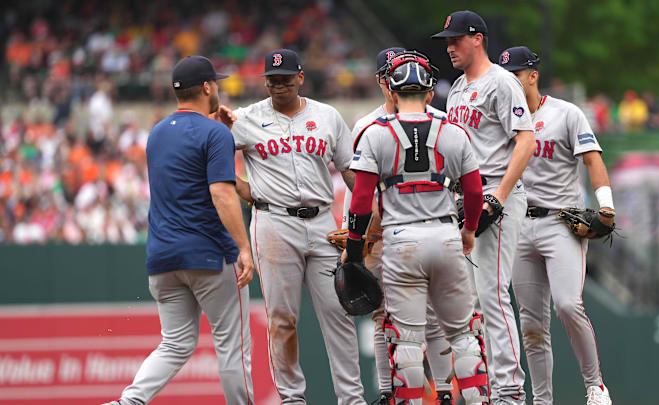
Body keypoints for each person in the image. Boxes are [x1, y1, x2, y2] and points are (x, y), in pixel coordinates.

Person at [103, 55, 255, 405]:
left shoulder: (157, 132)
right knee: (233, 347)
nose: (217, 87)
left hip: (163, 257)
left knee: (175, 343)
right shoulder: (214, 132)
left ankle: (127, 403)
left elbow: (189, 170)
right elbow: (220, 191)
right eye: (215, 82)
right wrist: (243, 248)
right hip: (209, 254)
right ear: (206, 87)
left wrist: (220, 133)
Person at [346, 50, 490, 405]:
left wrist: (353, 248)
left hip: (400, 240)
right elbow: (474, 190)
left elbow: (361, 200)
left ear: (392, 94)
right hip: (445, 236)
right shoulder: (452, 131)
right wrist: (469, 229)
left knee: (406, 339)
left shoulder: (374, 134)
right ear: (429, 93)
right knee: (463, 333)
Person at [230, 49, 366, 405]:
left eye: (286, 78)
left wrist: (371, 215)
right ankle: (292, 400)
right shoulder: (246, 119)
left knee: (339, 314)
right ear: (265, 81)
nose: (279, 84)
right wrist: (244, 189)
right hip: (273, 222)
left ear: (301, 78)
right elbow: (211, 157)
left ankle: (351, 399)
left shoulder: (327, 116)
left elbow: (350, 169)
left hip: (323, 221)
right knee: (282, 320)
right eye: (273, 79)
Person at [499, 46, 614, 405]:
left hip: (560, 222)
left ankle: (595, 385)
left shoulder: (566, 113)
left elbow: (592, 160)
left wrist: (606, 206)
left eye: (515, 75)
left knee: (567, 304)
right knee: (532, 325)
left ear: (533, 76)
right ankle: (543, 401)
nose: (509, 83)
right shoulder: (501, 119)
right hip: (518, 224)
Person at [432, 10, 535, 405]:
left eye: (456, 39)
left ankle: (509, 391)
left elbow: (525, 141)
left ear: (477, 38)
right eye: (447, 40)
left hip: (496, 193)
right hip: (462, 198)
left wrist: (500, 196)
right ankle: (482, 388)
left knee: (492, 295)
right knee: (468, 302)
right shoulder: (456, 87)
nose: (450, 46)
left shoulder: (502, 82)